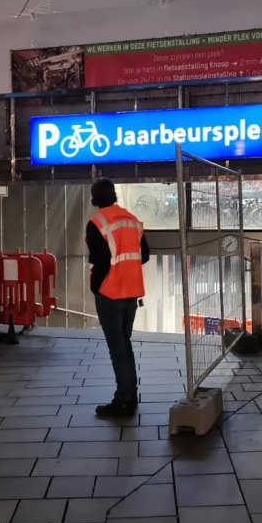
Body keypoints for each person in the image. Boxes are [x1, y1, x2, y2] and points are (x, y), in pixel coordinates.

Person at [86, 178, 150, 417]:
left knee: (117, 347)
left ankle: (123, 399)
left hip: (110, 293)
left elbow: (100, 260)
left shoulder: (97, 223)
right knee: (124, 343)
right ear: (114, 196)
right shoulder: (132, 220)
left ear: (95, 199)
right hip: (131, 292)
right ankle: (130, 395)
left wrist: (96, 287)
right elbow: (144, 255)